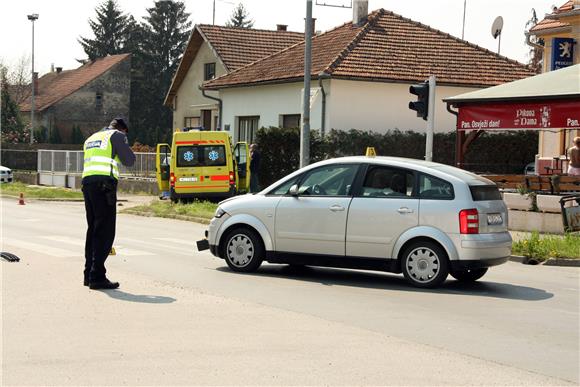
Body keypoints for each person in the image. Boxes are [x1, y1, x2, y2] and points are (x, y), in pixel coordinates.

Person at [82, 117, 135, 290]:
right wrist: (125, 147)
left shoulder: (92, 138)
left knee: (93, 229)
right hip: (104, 186)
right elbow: (129, 160)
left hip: (88, 185)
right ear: (122, 129)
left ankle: (88, 274)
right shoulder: (117, 136)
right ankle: (97, 276)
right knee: (105, 231)